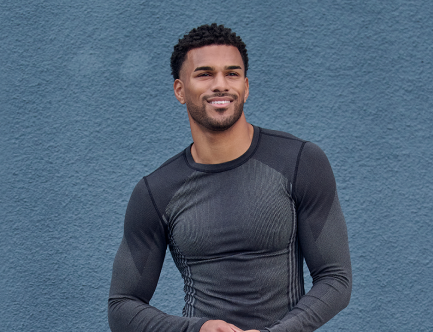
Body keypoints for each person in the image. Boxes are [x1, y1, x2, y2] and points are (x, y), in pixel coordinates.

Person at [107, 23, 352, 332]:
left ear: (246, 87)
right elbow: (121, 307)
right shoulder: (155, 191)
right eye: (205, 74)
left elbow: (336, 279)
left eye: (232, 74)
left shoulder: (300, 161)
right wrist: (196, 329)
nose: (220, 85)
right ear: (180, 90)